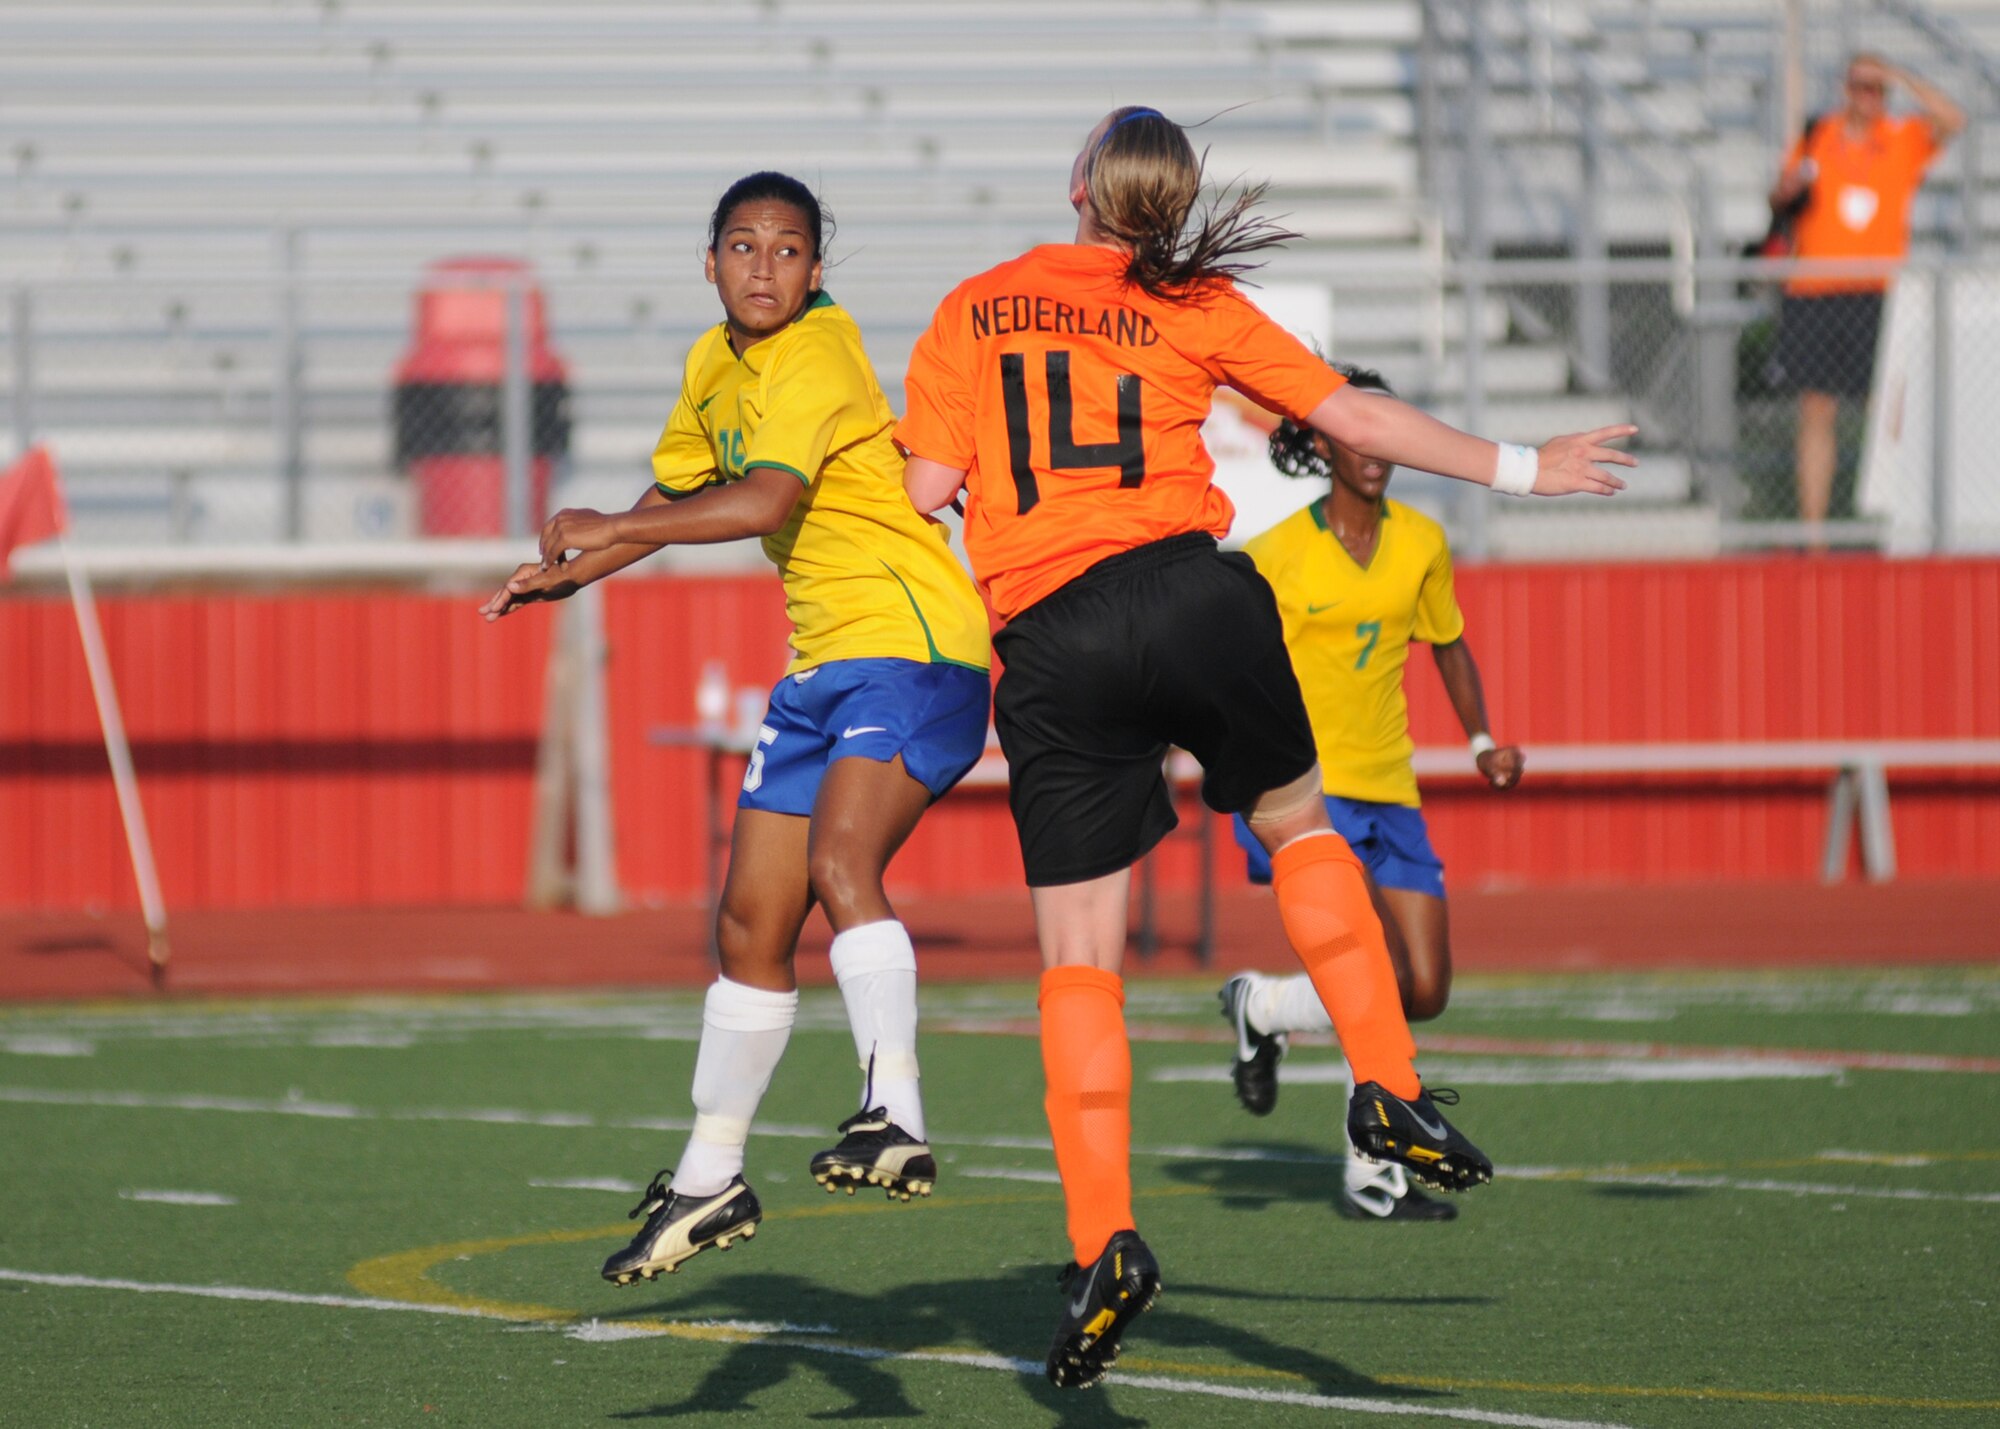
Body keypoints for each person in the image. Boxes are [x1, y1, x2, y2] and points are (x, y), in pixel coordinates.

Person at [897, 105, 1634, 1389]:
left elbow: (919, 490)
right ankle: (1385, 1081)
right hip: (1189, 592)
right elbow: (1356, 420)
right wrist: (1523, 465)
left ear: (1076, 185)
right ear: (1172, 209)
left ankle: (1102, 1242)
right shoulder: (1195, 302)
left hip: (1052, 638)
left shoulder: (974, 304)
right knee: (1299, 821)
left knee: (1078, 962)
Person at [482, 171, 991, 1285]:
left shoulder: (817, 350)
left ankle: (891, 1111)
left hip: (913, 651)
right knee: (748, 928)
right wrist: (578, 570)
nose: (766, 267)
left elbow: (760, 502)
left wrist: (606, 526)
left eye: (789, 249)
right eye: (744, 246)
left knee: (839, 860)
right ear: (707, 263)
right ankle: (710, 1176)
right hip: (822, 671)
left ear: (817, 269)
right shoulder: (712, 365)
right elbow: (671, 508)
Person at [1214, 363, 1524, 1224]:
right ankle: (1373, 1176)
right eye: (1354, 430)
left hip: (1393, 787)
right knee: (1375, 971)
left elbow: (1449, 645)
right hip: (1305, 793)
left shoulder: (1423, 541)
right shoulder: (1276, 552)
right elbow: (1227, 662)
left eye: (1385, 431)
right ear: (1319, 440)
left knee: (1423, 986)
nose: (1373, 449)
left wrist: (1483, 740)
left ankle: (1262, 1005)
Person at [1768, 52, 1962, 537]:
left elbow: (1953, 119)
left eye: (1877, 88)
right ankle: (1814, 535)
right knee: (1816, 410)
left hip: (1876, 292)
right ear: (1845, 88)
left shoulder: (1901, 140)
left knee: (1888, 411)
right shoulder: (1819, 137)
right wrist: (1788, 188)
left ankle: (1894, 523)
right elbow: (1782, 195)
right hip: (1815, 289)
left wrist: (1900, 73)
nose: (1868, 97)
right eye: (1860, 86)